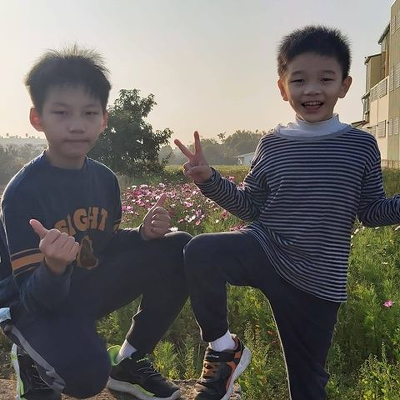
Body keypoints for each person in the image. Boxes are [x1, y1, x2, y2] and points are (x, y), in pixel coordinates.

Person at [174, 25, 400, 400]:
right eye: (299, 80)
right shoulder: (273, 144)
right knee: (201, 251)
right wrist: (208, 178)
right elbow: (250, 205)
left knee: (307, 385)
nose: (312, 90)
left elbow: (372, 211)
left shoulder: (360, 146)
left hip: (318, 278)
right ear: (283, 88)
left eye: (325, 79)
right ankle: (224, 350)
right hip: (266, 249)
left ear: (344, 85)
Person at [0, 45, 191, 400]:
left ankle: (130, 362)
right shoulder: (23, 193)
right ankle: (29, 357)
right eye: (61, 113)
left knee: (180, 247)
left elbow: (103, 246)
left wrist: (142, 234)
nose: (77, 125)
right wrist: (54, 266)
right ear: (37, 118)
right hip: (31, 305)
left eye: (89, 113)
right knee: (86, 379)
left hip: (81, 288)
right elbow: (33, 297)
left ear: (104, 119)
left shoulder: (103, 179)